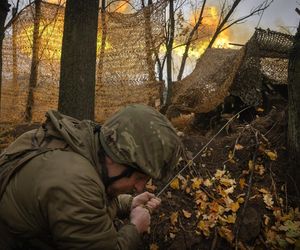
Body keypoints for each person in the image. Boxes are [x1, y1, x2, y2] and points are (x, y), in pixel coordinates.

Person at [0, 104, 183, 250]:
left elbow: (92, 197)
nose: (140, 187)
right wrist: (135, 228)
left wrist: (128, 204)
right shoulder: (75, 182)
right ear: (115, 159)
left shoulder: (77, 142)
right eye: (139, 178)